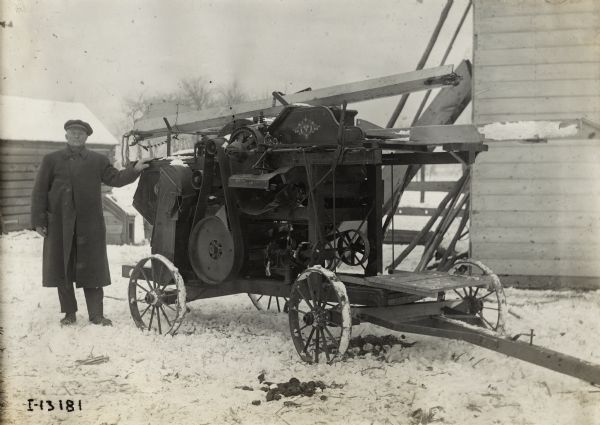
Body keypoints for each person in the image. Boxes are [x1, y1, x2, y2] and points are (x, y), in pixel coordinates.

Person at [31, 119, 150, 326]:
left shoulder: (97, 160)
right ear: (66, 135)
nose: (76, 136)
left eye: (81, 133)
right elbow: (39, 191)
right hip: (60, 224)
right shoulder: (51, 160)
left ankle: (96, 315)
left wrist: (135, 170)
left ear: (86, 137)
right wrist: (39, 221)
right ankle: (69, 314)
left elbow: (116, 178)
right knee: (63, 268)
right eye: (73, 132)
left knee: (93, 269)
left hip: (89, 225)